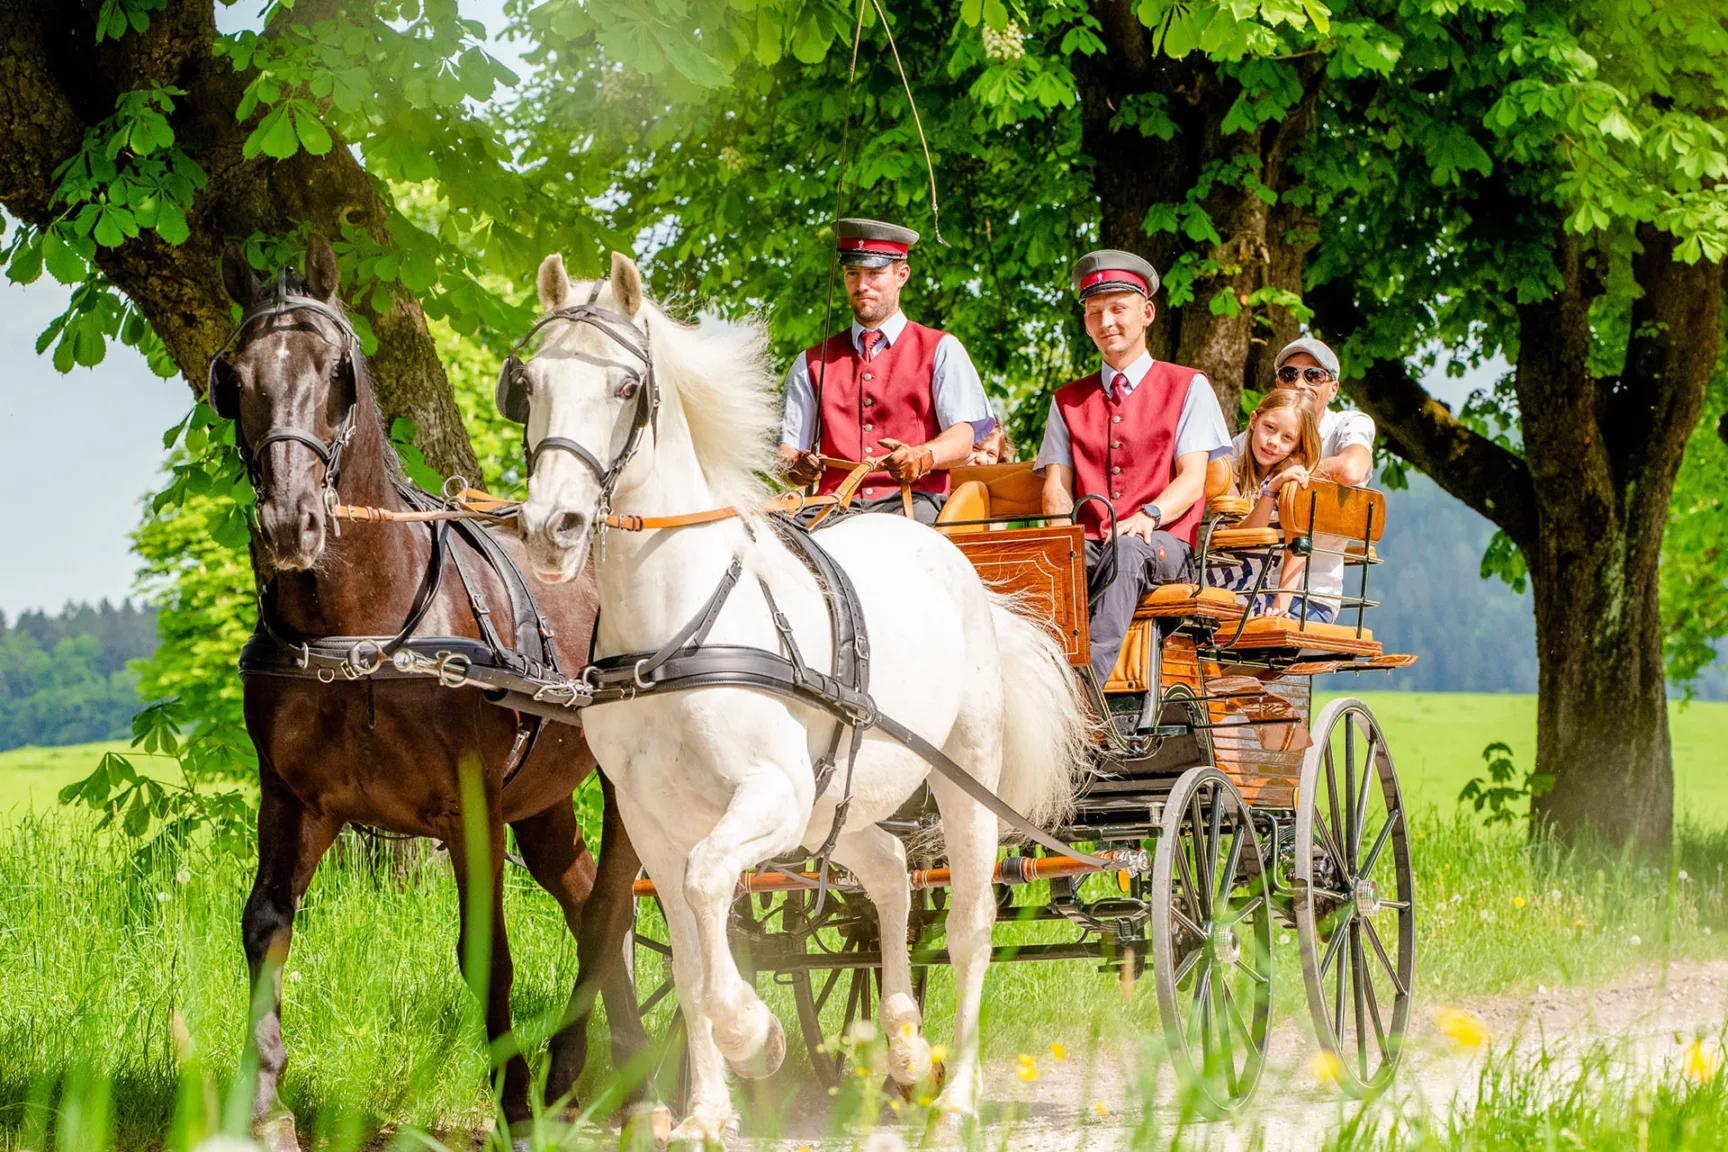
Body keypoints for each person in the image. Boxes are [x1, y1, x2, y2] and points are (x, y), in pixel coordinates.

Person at [1036, 250, 1232, 686]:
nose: (1105, 322)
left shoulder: (1187, 386)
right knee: (1038, 562)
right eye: (1094, 313)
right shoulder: (1066, 400)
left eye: (1117, 309)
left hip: (1162, 545)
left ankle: (1083, 695)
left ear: (1146, 313)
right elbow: (1056, 486)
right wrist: (1058, 537)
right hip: (1088, 542)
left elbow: (1193, 479)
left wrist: (1148, 517)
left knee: (1126, 551)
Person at [777, 218, 994, 524]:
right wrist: (794, 465)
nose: (861, 285)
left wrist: (923, 457)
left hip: (914, 505)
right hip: (831, 507)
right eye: (853, 273)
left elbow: (962, 439)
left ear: (901, 275)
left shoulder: (942, 349)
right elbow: (787, 448)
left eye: (875, 274)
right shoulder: (810, 362)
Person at [1208, 389, 1333, 620]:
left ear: (1297, 446)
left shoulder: (1292, 486)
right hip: (1216, 584)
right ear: (1254, 420)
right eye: (1270, 428)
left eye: (1287, 438)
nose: (1273, 442)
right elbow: (1244, 541)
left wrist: (1281, 604)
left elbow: (1297, 550)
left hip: (1252, 590)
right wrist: (1270, 491)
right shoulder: (1230, 471)